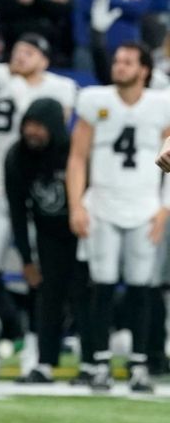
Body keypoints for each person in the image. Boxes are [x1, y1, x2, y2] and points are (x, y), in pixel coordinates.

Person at [0, 33, 77, 347]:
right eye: (17, 50)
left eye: (29, 52)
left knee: (36, 264)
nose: (20, 56)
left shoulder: (60, 88)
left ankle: (37, 340)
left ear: (44, 60)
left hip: (36, 189)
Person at [67, 41, 170, 392]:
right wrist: (77, 204)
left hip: (144, 205)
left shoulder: (160, 104)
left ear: (144, 69)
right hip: (104, 204)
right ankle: (99, 362)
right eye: (117, 60)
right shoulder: (97, 100)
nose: (119, 65)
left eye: (128, 61)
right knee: (103, 286)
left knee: (142, 288)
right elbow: (78, 158)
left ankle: (139, 365)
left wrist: (164, 207)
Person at [6, 97, 91, 384]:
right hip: (47, 234)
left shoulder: (73, 151)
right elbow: (17, 212)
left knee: (84, 295)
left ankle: (91, 363)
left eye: (40, 126)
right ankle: (45, 363)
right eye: (29, 124)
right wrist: (27, 260)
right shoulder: (17, 156)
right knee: (48, 297)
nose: (32, 132)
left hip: (82, 231)